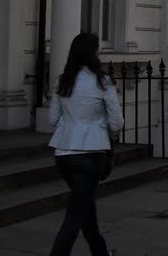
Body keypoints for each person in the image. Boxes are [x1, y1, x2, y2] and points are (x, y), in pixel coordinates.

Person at [49, 33, 124, 256]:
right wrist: (103, 130)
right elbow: (117, 122)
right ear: (93, 54)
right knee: (76, 213)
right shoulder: (102, 82)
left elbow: (53, 119)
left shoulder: (63, 81)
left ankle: (100, 252)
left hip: (64, 153)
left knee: (84, 206)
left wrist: (72, 124)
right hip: (91, 154)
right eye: (98, 50)